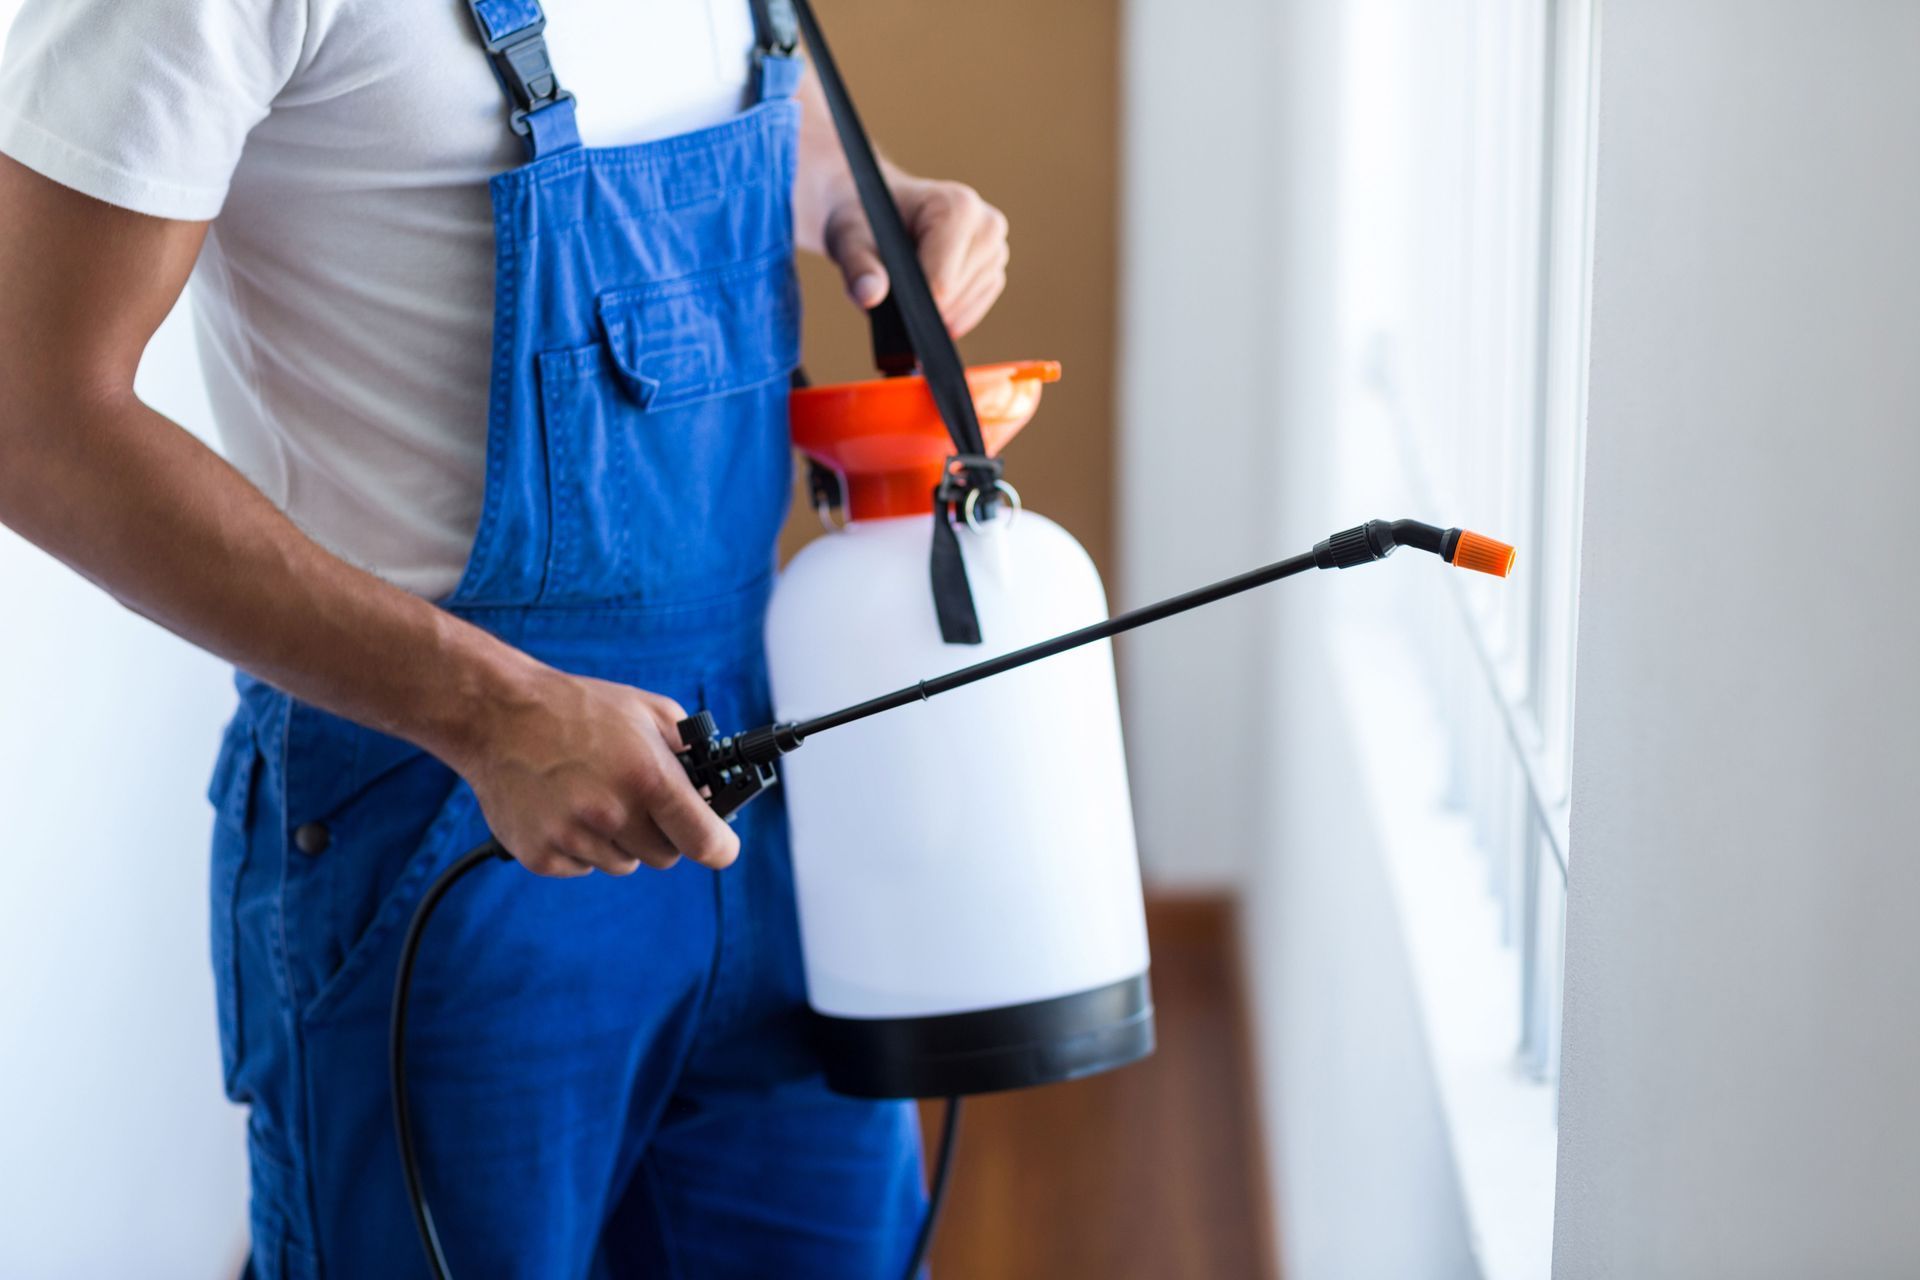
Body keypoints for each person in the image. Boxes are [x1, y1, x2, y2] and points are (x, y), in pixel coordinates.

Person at [0, 0, 1009, 1274]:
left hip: (769, 795)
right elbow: (31, 417)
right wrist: (491, 712)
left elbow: (724, 102)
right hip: (440, 828)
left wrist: (858, 200)